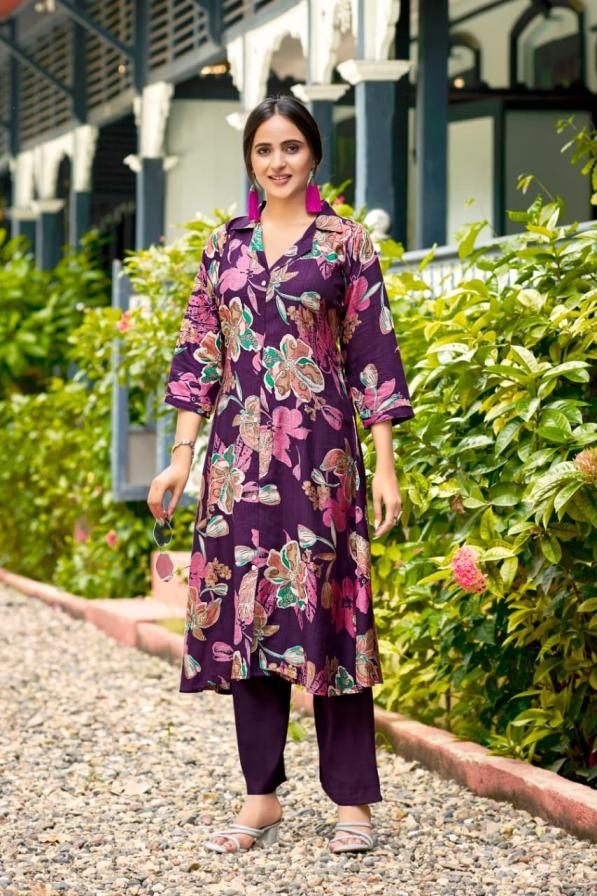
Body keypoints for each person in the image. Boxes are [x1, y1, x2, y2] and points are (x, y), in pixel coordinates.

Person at [147, 94, 414, 854]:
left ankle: (352, 802)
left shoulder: (345, 243)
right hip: (236, 465)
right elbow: (199, 354)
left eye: (290, 147)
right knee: (250, 616)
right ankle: (259, 796)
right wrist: (180, 457)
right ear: (250, 160)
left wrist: (385, 467)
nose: (277, 162)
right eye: (263, 149)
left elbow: (373, 355)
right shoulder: (224, 247)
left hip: (320, 461)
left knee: (333, 618)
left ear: (313, 155)